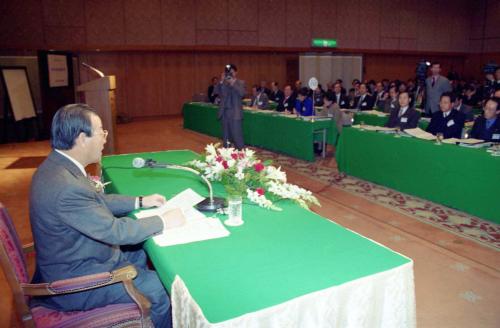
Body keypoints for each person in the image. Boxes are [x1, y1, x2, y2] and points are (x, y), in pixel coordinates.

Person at [29, 104, 183, 328]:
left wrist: (140, 201)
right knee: (160, 289)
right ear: (82, 138)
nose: (104, 137)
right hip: (76, 282)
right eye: (101, 131)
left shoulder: (58, 166)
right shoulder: (65, 187)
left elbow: (95, 202)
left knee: (140, 251)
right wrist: (163, 221)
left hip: (72, 257)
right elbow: (116, 231)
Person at [214, 64, 245, 149]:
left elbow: (242, 93)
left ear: (236, 72)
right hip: (225, 113)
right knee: (225, 138)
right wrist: (221, 81)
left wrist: (233, 82)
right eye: (228, 72)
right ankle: (227, 158)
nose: (229, 74)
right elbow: (216, 92)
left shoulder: (240, 82)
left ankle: (243, 158)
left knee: (237, 137)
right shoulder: (223, 83)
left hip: (235, 114)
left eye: (231, 72)